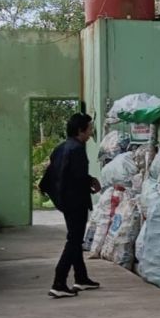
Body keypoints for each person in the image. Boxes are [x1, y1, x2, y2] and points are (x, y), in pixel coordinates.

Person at [41, 112, 102, 298]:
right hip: (76, 202)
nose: (91, 132)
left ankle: (81, 278)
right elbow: (77, 178)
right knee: (74, 241)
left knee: (75, 238)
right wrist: (91, 183)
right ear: (80, 130)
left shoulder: (61, 148)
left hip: (66, 202)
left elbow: (57, 174)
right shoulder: (77, 150)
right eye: (90, 129)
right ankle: (59, 282)